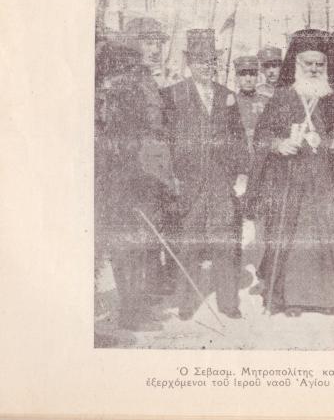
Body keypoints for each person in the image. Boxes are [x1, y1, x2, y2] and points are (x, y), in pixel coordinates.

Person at [252, 29, 334, 317]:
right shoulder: (282, 97)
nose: (315, 69)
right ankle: (292, 300)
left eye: (320, 64)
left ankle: (329, 299)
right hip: (292, 177)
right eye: (309, 64)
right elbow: (262, 136)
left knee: (330, 233)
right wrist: (279, 144)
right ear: (296, 65)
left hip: (328, 178)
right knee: (296, 237)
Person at [160, 29, 249, 320]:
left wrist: (242, 173)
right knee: (189, 243)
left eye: (211, 60)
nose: (206, 66)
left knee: (225, 241)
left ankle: (228, 302)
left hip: (221, 181)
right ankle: (186, 303)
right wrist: (171, 177)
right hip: (188, 181)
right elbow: (165, 140)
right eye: (200, 60)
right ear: (189, 62)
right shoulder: (173, 95)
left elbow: (238, 138)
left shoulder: (227, 96)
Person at [95, 42, 176, 331]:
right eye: (129, 67)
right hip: (119, 183)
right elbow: (113, 143)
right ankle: (130, 314)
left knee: (139, 245)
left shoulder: (133, 89)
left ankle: (136, 307)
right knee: (125, 247)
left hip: (138, 178)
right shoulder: (115, 94)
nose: (133, 72)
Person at [234, 55, 270, 154]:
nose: (248, 79)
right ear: (236, 77)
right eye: (243, 74)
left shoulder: (267, 102)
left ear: (257, 77)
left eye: (252, 74)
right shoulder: (230, 103)